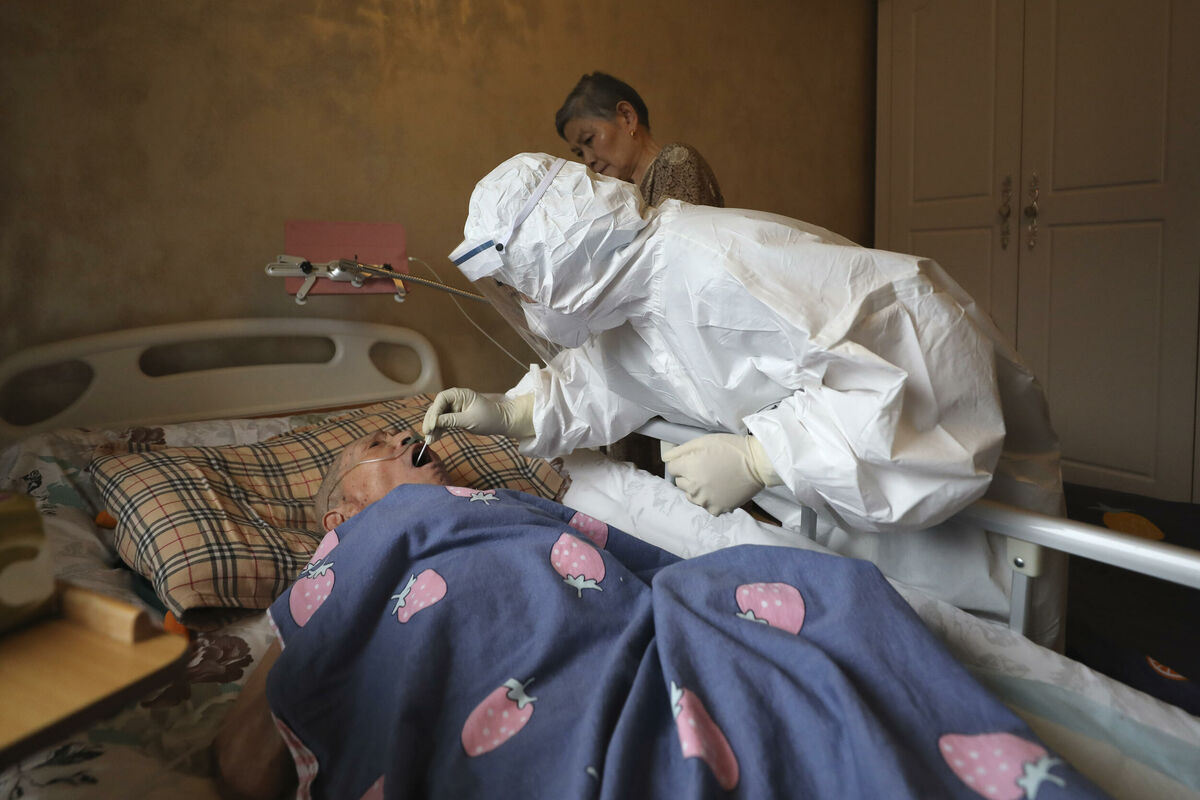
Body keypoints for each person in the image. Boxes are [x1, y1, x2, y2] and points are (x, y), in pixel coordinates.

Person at [422, 152, 1067, 649]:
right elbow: (609, 376)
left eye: (517, 285)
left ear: (555, 261)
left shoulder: (720, 263)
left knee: (997, 661)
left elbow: (932, 373)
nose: (521, 302)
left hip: (965, 502)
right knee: (900, 642)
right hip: (853, 508)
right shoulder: (632, 294)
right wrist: (514, 412)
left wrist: (764, 458)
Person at [214, 429, 450, 799]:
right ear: (343, 517)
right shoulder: (357, 551)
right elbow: (247, 766)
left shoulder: (509, 507)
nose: (408, 434)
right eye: (376, 444)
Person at [555, 72, 723, 208]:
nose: (588, 160)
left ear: (627, 117)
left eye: (589, 140)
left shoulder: (676, 160)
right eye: (579, 153)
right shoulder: (622, 198)